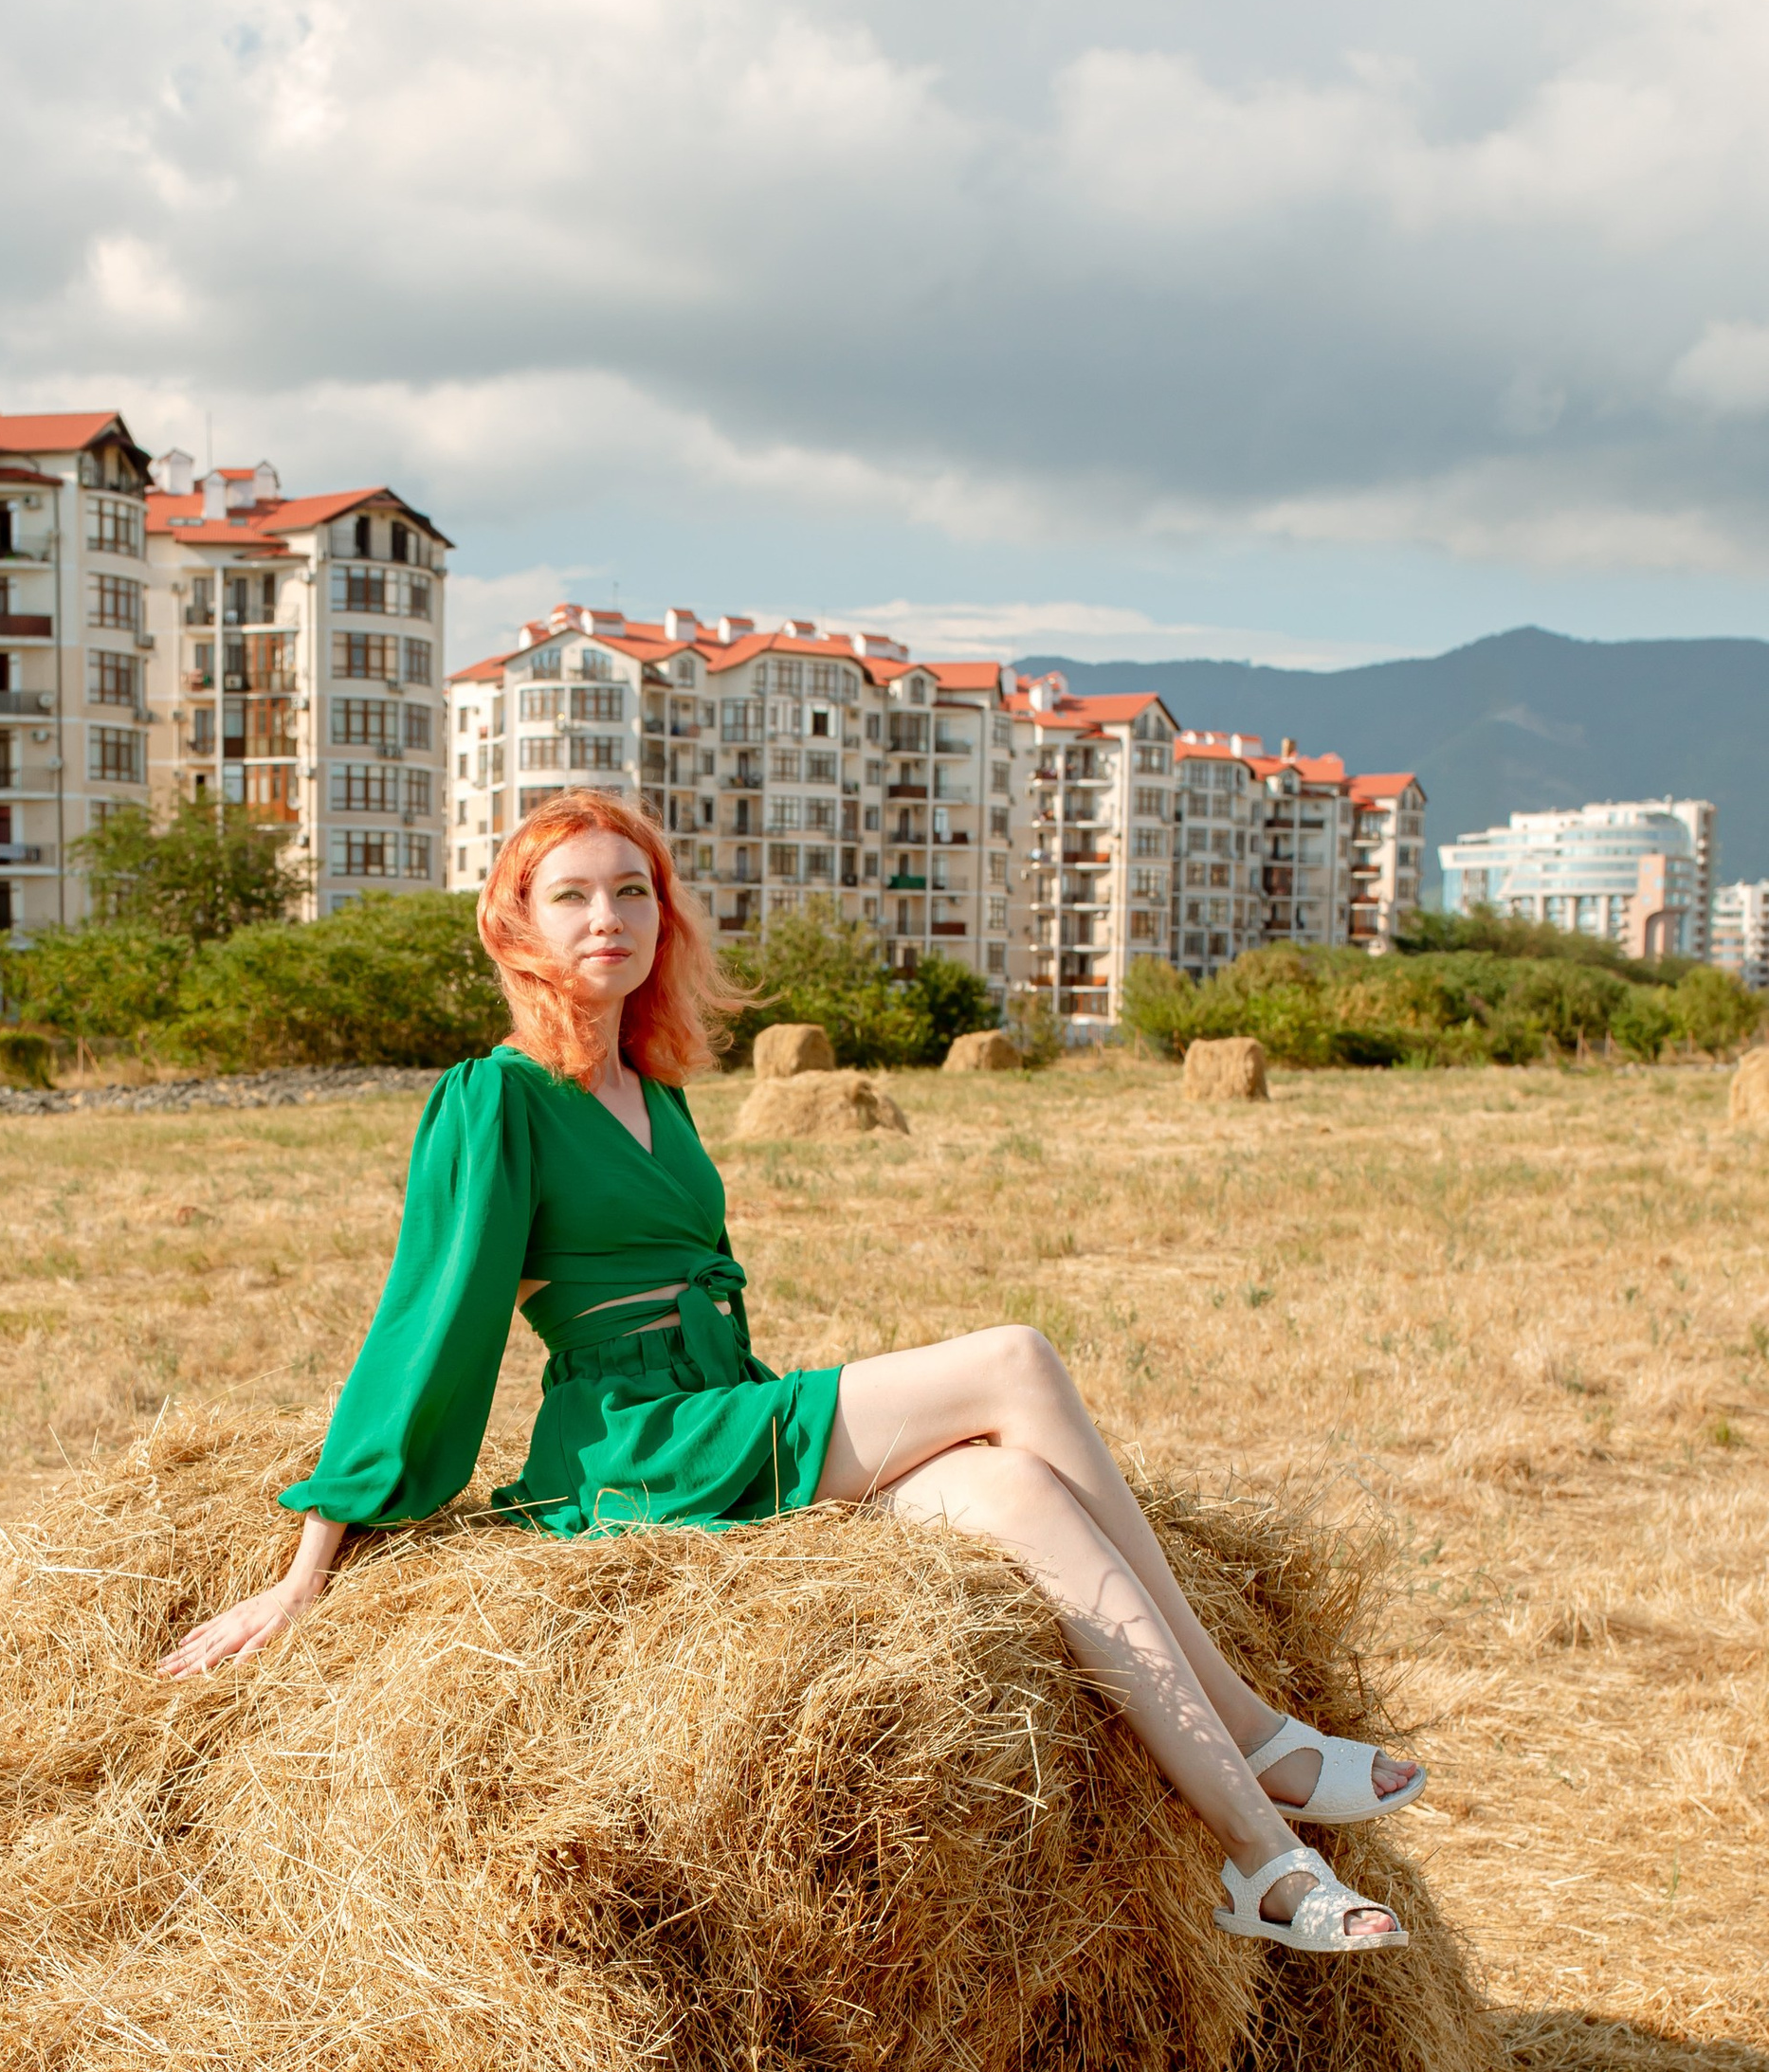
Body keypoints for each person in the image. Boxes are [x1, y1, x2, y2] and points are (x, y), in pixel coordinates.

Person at [162, 792, 1419, 1953]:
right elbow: (423, 1323)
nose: (609, 917)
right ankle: (1259, 1733)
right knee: (1015, 1364)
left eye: (634, 891)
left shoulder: (659, 1094)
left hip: (724, 1413)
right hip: (636, 1448)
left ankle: (1266, 1864)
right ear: (515, 924)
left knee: (1016, 1492)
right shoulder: (495, 1099)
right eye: (573, 895)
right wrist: (307, 1568)